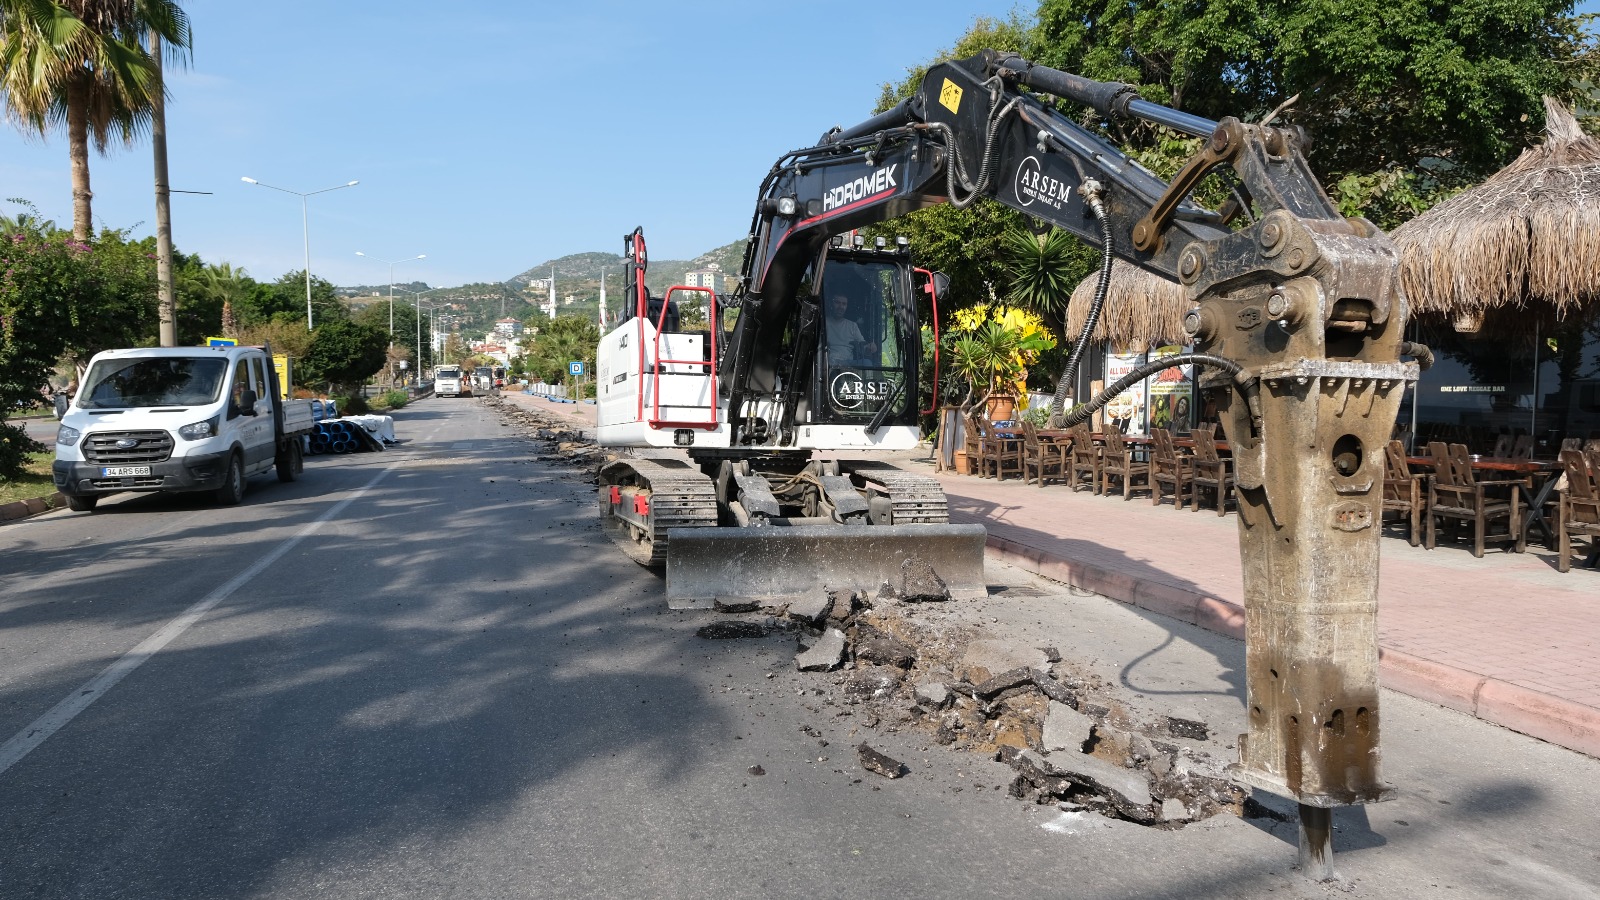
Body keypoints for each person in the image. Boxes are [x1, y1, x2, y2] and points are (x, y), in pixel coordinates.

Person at [825, 292, 874, 363]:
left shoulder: (852, 325)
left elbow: (862, 345)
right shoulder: (824, 322)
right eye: (837, 302)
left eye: (844, 304)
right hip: (829, 362)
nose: (841, 307)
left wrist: (869, 347)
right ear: (831, 304)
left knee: (867, 363)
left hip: (848, 363)